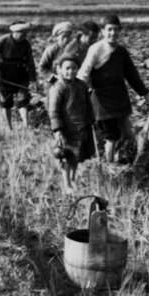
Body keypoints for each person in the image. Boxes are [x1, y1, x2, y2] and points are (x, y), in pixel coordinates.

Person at [77, 14, 149, 163]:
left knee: (127, 134)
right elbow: (84, 72)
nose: (113, 33)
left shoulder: (121, 51)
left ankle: (109, 156)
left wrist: (144, 94)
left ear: (120, 30)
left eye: (116, 29)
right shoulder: (96, 48)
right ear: (103, 31)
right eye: (109, 29)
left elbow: (132, 74)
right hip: (102, 100)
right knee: (112, 137)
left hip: (119, 97)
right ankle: (109, 166)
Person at [49, 54, 95, 193]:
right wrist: (58, 130)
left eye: (74, 68)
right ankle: (66, 184)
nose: (71, 71)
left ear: (78, 69)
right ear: (60, 70)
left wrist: (91, 120)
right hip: (66, 128)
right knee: (66, 157)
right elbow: (54, 110)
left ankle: (73, 180)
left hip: (81, 126)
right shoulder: (59, 87)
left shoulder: (81, 85)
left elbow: (88, 105)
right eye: (67, 68)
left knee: (77, 156)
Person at [0, 21, 37, 129]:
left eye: (26, 33)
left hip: (20, 72)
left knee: (23, 99)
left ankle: (26, 126)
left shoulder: (26, 43)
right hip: (4, 73)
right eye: (23, 33)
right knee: (6, 101)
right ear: (15, 32)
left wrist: (33, 79)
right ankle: (9, 127)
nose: (25, 36)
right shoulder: (3, 41)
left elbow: (30, 61)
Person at [38, 22, 74, 100]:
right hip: (53, 83)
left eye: (68, 37)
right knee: (53, 106)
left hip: (70, 83)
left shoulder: (73, 50)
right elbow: (42, 68)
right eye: (63, 37)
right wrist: (53, 77)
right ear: (57, 37)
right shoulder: (52, 50)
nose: (66, 40)